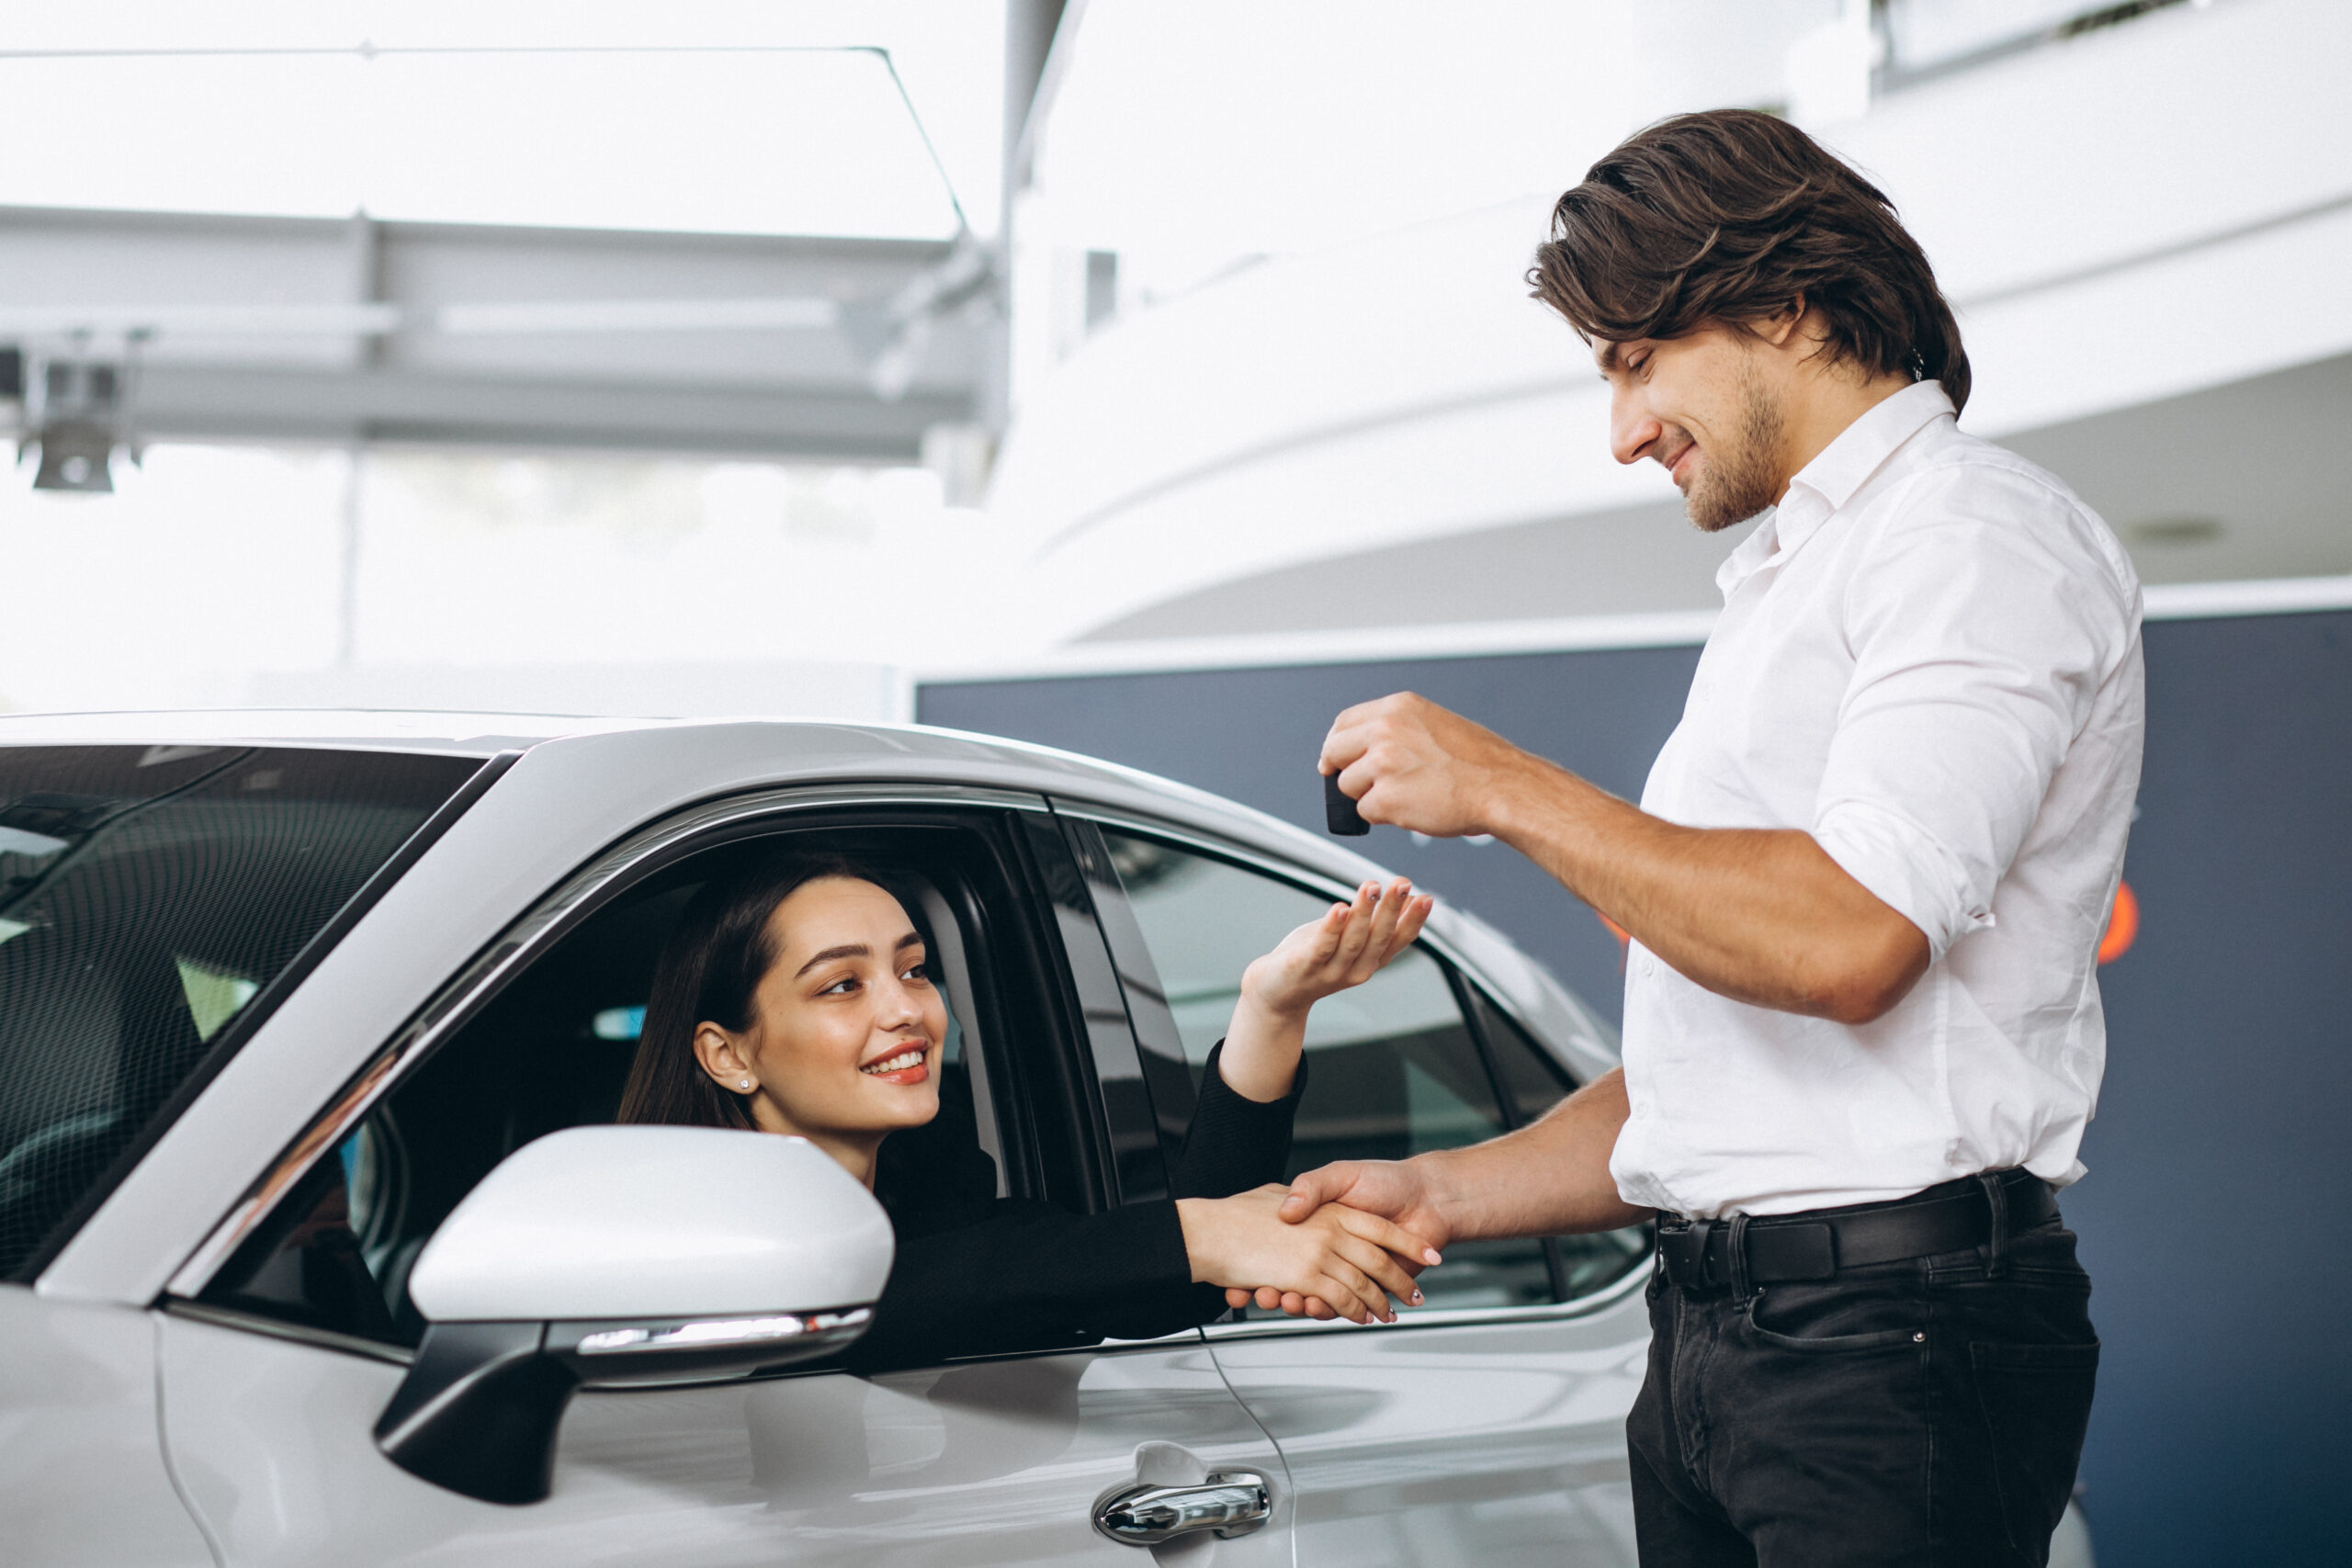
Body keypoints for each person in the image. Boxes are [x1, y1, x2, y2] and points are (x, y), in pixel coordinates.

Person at [1264, 109, 2143, 1566]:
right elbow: (1741, 1081)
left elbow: (1850, 940)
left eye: (1633, 361)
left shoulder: (1972, 537)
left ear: (1785, 306)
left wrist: (1502, 783)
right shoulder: (1798, 580)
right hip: (1723, 1342)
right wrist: (1444, 1193)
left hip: (1887, 1345)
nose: (1621, 433)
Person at [616, 845, 1438, 1371]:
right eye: (842, 984)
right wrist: (1209, 1235)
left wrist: (1272, 1009)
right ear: (729, 1054)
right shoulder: (674, 1248)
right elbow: (879, 1302)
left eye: (913, 968)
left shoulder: (938, 1201)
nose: (907, 1009)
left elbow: (1142, 1283)